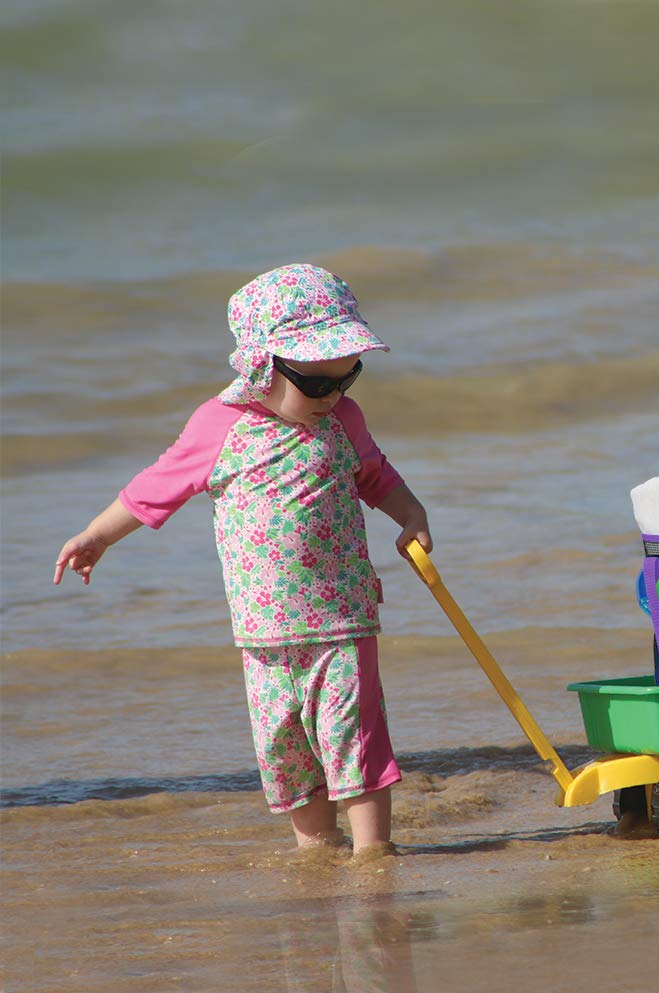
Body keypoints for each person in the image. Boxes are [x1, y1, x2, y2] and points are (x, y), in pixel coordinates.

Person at [53, 264, 431, 857]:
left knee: (353, 739)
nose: (333, 396)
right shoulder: (219, 426)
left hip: (342, 617)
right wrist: (99, 535)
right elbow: (158, 485)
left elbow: (375, 476)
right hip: (262, 630)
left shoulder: (344, 421)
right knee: (285, 748)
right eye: (317, 384)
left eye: (348, 377)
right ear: (262, 366)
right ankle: (317, 849)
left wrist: (411, 513)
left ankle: (373, 854)